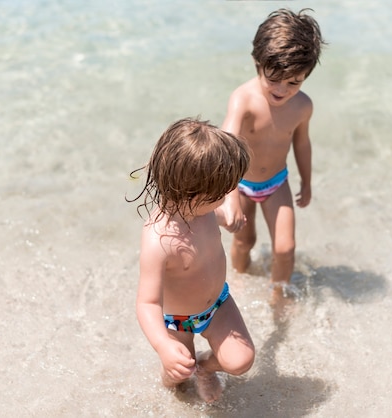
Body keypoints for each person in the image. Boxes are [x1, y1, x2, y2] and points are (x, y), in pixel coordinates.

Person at [128, 118, 255, 403]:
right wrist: (163, 346)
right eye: (221, 194)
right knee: (176, 375)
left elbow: (219, 216)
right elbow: (147, 303)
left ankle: (206, 368)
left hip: (218, 305)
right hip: (176, 321)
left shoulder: (204, 210)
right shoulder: (158, 240)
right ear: (192, 194)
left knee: (241, 361)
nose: (226, 198)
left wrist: (231, 220)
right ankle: (175, 383)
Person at [220, 8, 326, 298]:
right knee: (245, 241)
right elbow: (227, 148)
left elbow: (302, 143)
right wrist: (229, 200)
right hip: (240, 185)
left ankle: (279, 297)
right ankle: (238, 284)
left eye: (295, 82)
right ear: (258, 62)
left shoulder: (303, 106)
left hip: (277, 183)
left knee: (285, 247)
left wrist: (306, 181)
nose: (283, 89)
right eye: (275, 79)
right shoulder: (243, 100)